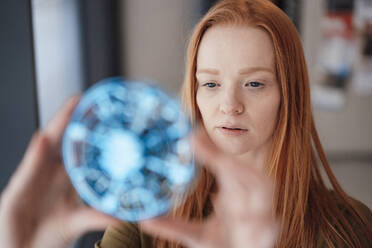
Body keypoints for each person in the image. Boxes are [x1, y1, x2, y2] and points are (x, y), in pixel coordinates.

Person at [0, 0, 371, 247]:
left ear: (289, 96)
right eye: (210, 84)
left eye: (254, 83)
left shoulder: (352, 229)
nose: (229, 105)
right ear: (193, 95)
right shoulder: (145, 220)